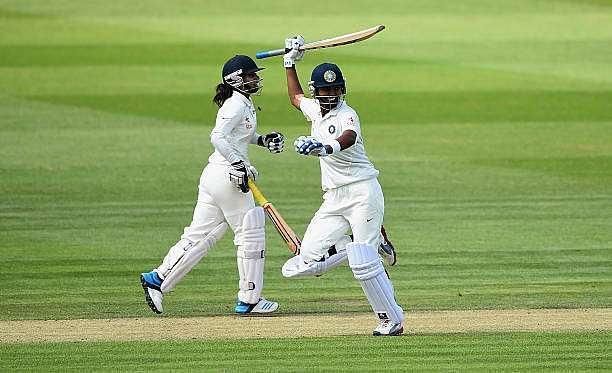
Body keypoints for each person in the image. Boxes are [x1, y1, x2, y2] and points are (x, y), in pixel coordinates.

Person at [140, 55, 285, 315]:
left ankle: (158, 279)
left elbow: (240, 135)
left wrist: (263, 140)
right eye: (251, 75)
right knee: (250, 233)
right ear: (236, 79)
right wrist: (239, 164)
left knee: (201, 235)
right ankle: (250, 299)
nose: (255, 79)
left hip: (215, 176)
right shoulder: (235, 105)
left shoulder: (243, 103)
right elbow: (217, 136)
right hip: (229, 178)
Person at [280, 36, 405, 336]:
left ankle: (392, 320)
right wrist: (289, 62)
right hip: (334, 198)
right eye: (325, 90)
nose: (331, 94)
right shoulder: (314, 110)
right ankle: (365, 245)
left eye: (336, 89)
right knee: (304, 262)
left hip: (363, 192)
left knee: (364, 263)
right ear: (317, 92)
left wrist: (325, 148)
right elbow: (295, 97)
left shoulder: (348, 114)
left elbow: (348, 137)